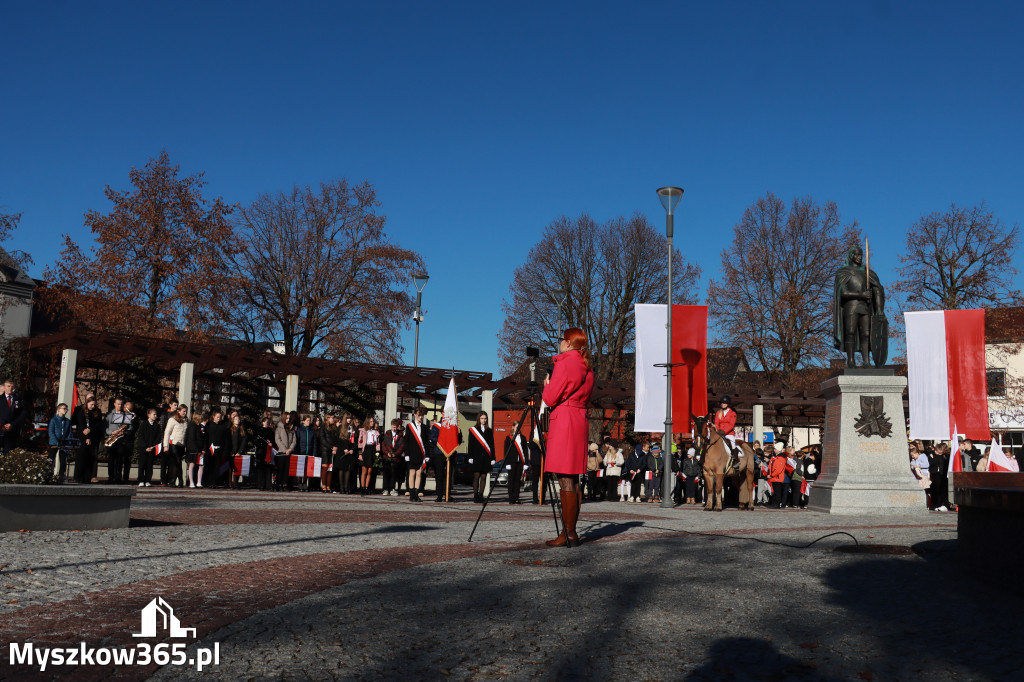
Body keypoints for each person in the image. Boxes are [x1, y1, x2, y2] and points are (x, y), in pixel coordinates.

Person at [541, 327, 595, 547]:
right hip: (579, 419)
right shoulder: (587, 368)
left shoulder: (565, 362)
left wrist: (546, 386)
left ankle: (569, 533)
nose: (560, 343)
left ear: (569, 343)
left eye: (562, 339)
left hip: (564, 420)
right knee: (573, 477)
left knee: (564, 478)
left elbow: (551, 397)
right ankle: (569, 530)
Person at [833, 244, 887, 367]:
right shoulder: (843, 272)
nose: (859, 257)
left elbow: (878, 289)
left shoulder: (867, 273)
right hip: (851, 306)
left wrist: (879, 309)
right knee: (851, 331)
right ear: (851, 256)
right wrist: (861, 295)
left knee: (866, 334)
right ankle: (851, 360)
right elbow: (843, 293)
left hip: (865, 308)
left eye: (861, 255)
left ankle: (866, 361)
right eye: (856, 254)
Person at [72, 395, 102, 484]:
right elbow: (80, 423)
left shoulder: (96, 412)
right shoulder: (80, 411)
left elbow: (98, 424)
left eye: (94, 405)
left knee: (90, 458)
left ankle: (87, 477)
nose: (92, 407)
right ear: (87, 403)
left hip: (92, 436)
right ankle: (78, 477)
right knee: (81, 457)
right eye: (91, 404)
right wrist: (86, 436)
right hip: (82, 436)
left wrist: (90, 431)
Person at [103, 397, 133, 484]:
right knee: (111, 459)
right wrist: (111, 432)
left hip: (121, 440)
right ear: (114, 404)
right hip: (112, 439)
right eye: (118, 404)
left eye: (121, 404)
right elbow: (104, 427)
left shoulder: (125, 415)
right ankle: (111, 477)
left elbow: (130, 427)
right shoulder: (109, 414)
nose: (120, 406)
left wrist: (123, 432)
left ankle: (118, 477)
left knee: (119, 459)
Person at [467, 412, 494, 503]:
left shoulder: (489, 430)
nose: (484, 420)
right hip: (476, 456)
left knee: (484, 476)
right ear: (479, 419)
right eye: (482, 418)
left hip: (486, 457)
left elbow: (491, 445)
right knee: (476, 475)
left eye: (485, 418)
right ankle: (475, 495)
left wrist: (493, 458)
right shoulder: (473, 430)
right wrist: (470, 456)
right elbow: (470, 444)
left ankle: (481, 495)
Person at [405, 407, 429, 502]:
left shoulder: (425, 427)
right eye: (419, 415)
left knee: (419, 473)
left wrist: (427, 455)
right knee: (412, 473)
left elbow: (426, 443)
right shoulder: (409, 426)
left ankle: (416, 493)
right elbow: (407, 441)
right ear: (415, 415)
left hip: (421, 454)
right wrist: (406, 454)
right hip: (411, 453)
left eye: (422, 415)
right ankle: (411, 494)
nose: (421, 417)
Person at [134, 407, 162, 487]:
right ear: (148, 415)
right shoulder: (144, 425)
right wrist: (145, 447)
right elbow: (141, 437)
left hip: (152, 448)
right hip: (144, 449)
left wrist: (153, 446)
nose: (155, 416)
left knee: (149, 465)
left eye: (156, 414)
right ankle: (141, 480)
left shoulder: (157, 426)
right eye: (154, 414)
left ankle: (148, 480)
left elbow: (158, 437)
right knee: (142, 464)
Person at [162, 404, 188, 488]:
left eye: (186, 411)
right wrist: (165, 445)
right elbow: (167, 433)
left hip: (182, 445)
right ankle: (174, 480)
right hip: (174, 444)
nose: (185, 413)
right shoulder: (172, 420)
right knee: (176, 462)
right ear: (178, 411)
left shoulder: (186, 421)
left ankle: (179, 480)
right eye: (183, 411)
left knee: (178, 463)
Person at [0, 379, 27, 456]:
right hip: (1, 429)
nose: (10, 388)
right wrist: (2, 425)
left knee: (8, 454)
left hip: (12, 432)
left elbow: (22, 415)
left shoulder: (19, 400)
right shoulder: (0, 399)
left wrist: (12, 425)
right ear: (4, 387)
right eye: (8, 386)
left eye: (12, 387)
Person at [47, 403, 73, 483]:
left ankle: (61, 476)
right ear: (59, 409)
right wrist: (56, 442)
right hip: (54, 443)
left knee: (63, 460)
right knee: (51, 459)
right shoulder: (53, 420)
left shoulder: (67, 421)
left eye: (66, 409)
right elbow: (51, 431)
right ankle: (49, 475)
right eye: (64, 408)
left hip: (63, 443)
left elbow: (69, 432)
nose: (65, 410)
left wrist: (67, 441)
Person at [506, 421, 529, 505]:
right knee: (511, 480)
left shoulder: (523, 438)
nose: (518, 429)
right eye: (516, 427)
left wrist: (526, 463)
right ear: (513, 427)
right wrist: (507, 463)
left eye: (519, 427)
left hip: (520, 462)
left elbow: (525, 451)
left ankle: (516, 498)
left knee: (518, 481)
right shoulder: (509, 438)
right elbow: (506, 451)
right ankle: (511, 498)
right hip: (512, 462)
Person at [380, 418, 404, 496]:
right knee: (386, 473)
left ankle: (392, 489)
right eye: (393, 427)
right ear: (391, 426)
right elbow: (383, 445)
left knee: (394, 474)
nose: (394, 428)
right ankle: (385, 489)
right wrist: (387, 453)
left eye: (395, 427)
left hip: (395, 458)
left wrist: (395, 454)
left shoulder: (400, 435)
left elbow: (401, 446)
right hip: (387, 457)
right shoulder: (387, 434)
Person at [275, 412, 297, 491]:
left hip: (289, 452)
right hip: (281, 452)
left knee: (287, 469)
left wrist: (290, 449)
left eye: (289, 418)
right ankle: (279, 484)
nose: (288, 420)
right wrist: (285, 450)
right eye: (287, 418)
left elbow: (294, 440)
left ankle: (285, 484)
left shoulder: (291, 428)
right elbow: (277, 440)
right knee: (281, 469)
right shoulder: (279, 428)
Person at [357, 415, 378, 496]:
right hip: (365, 450)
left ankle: (366, 487)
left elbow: (377, 443)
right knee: (364, 470)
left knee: (370, 470)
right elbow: (360, 442)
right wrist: (360, 453)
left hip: (372, 450)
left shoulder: (375, 432)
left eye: (373, 421)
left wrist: (377, 453)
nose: (372, 423)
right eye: (371, 421)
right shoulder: (363, 431)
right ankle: (362, 488)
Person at [338, 414, 358, 494]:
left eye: (350, 418)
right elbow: (339, 440)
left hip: (350, 451)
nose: (349, 420)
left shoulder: (352, 428)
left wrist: (352, 449)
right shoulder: (341, 428)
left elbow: (355, 440)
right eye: (348, 418)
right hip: (342, 451)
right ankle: (341, 487)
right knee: (342, 469)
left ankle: (346, 487)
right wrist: (344, 449)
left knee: (348, 469)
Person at [228, 413, 248, 489]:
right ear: (233, 421)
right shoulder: (230, 429)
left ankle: (235, 483)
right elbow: (228, 441)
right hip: (231, 452)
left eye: (238, 419)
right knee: (230, 468)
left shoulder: (242, 430)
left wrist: (239, 452)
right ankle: (230, 483)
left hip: (238, 452)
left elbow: (244, 441)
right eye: (236, 419)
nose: (237, 421)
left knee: (238, 468)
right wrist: (231, 452)